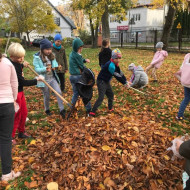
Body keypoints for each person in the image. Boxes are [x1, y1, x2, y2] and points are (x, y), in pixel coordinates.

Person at [7, 43, 43, 142]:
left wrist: (22, 65)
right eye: (19, 58)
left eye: (22, 56)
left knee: (24, 112)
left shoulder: (17, 64)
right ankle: (10, 136)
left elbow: (19, 66)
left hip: (20, 92)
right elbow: (22, 82)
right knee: (16, 114)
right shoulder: (12, 66)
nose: (21, 59)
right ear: (11, 57)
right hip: (15, 94)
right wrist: (36, 80)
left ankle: (21, 132)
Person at [0, 52, 21, 181]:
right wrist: (12, 99)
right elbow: (15, 84)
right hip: (6, 104)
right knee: (5, 139)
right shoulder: (7, 63)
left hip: (6, 102)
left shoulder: (7, 62)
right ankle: (7, 174)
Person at [89, 48, 128, 117]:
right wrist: (124, 83)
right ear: (113, 57)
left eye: (119, 58)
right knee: (101, 97)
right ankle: (92, 112)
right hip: (101, 81)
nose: (118, 60)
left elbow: (120, 73)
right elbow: (117, 76)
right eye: (116, 58)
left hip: (106, 81)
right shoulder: (111, 65)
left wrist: (126, 81)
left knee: (111, 95)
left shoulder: (116, 63)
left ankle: (110, 108)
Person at [33, 39, 66, 119]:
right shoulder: (37, 58)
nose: (49, 51)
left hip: (52, 78)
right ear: (42, 49)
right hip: (43, 80)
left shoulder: (52, 56)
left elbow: (54, 64)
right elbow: (37, 70)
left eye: (50, 49)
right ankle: (47, 109)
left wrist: (56, 67)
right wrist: (45, 69)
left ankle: (62, 109)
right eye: (47, 49)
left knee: (58, 92)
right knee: (47, 95)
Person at [69, 38, 91, 114]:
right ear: (77, 48)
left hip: (72, 77)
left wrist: (84, 60)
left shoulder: (72, 53)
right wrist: (88, 71)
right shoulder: (77, 55)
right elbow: (81, 66)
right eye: (80, 48)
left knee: (75, 93)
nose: (81, 49)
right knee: (84, 93)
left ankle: (72, 108)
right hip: (78, 77)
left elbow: (78, 61)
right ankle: (89, 109)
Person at [175, 53, 190, 120]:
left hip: (185, 81)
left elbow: (182, 67)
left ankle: (179, 115)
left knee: (186, 98)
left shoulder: (187, 56)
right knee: (186, 98)